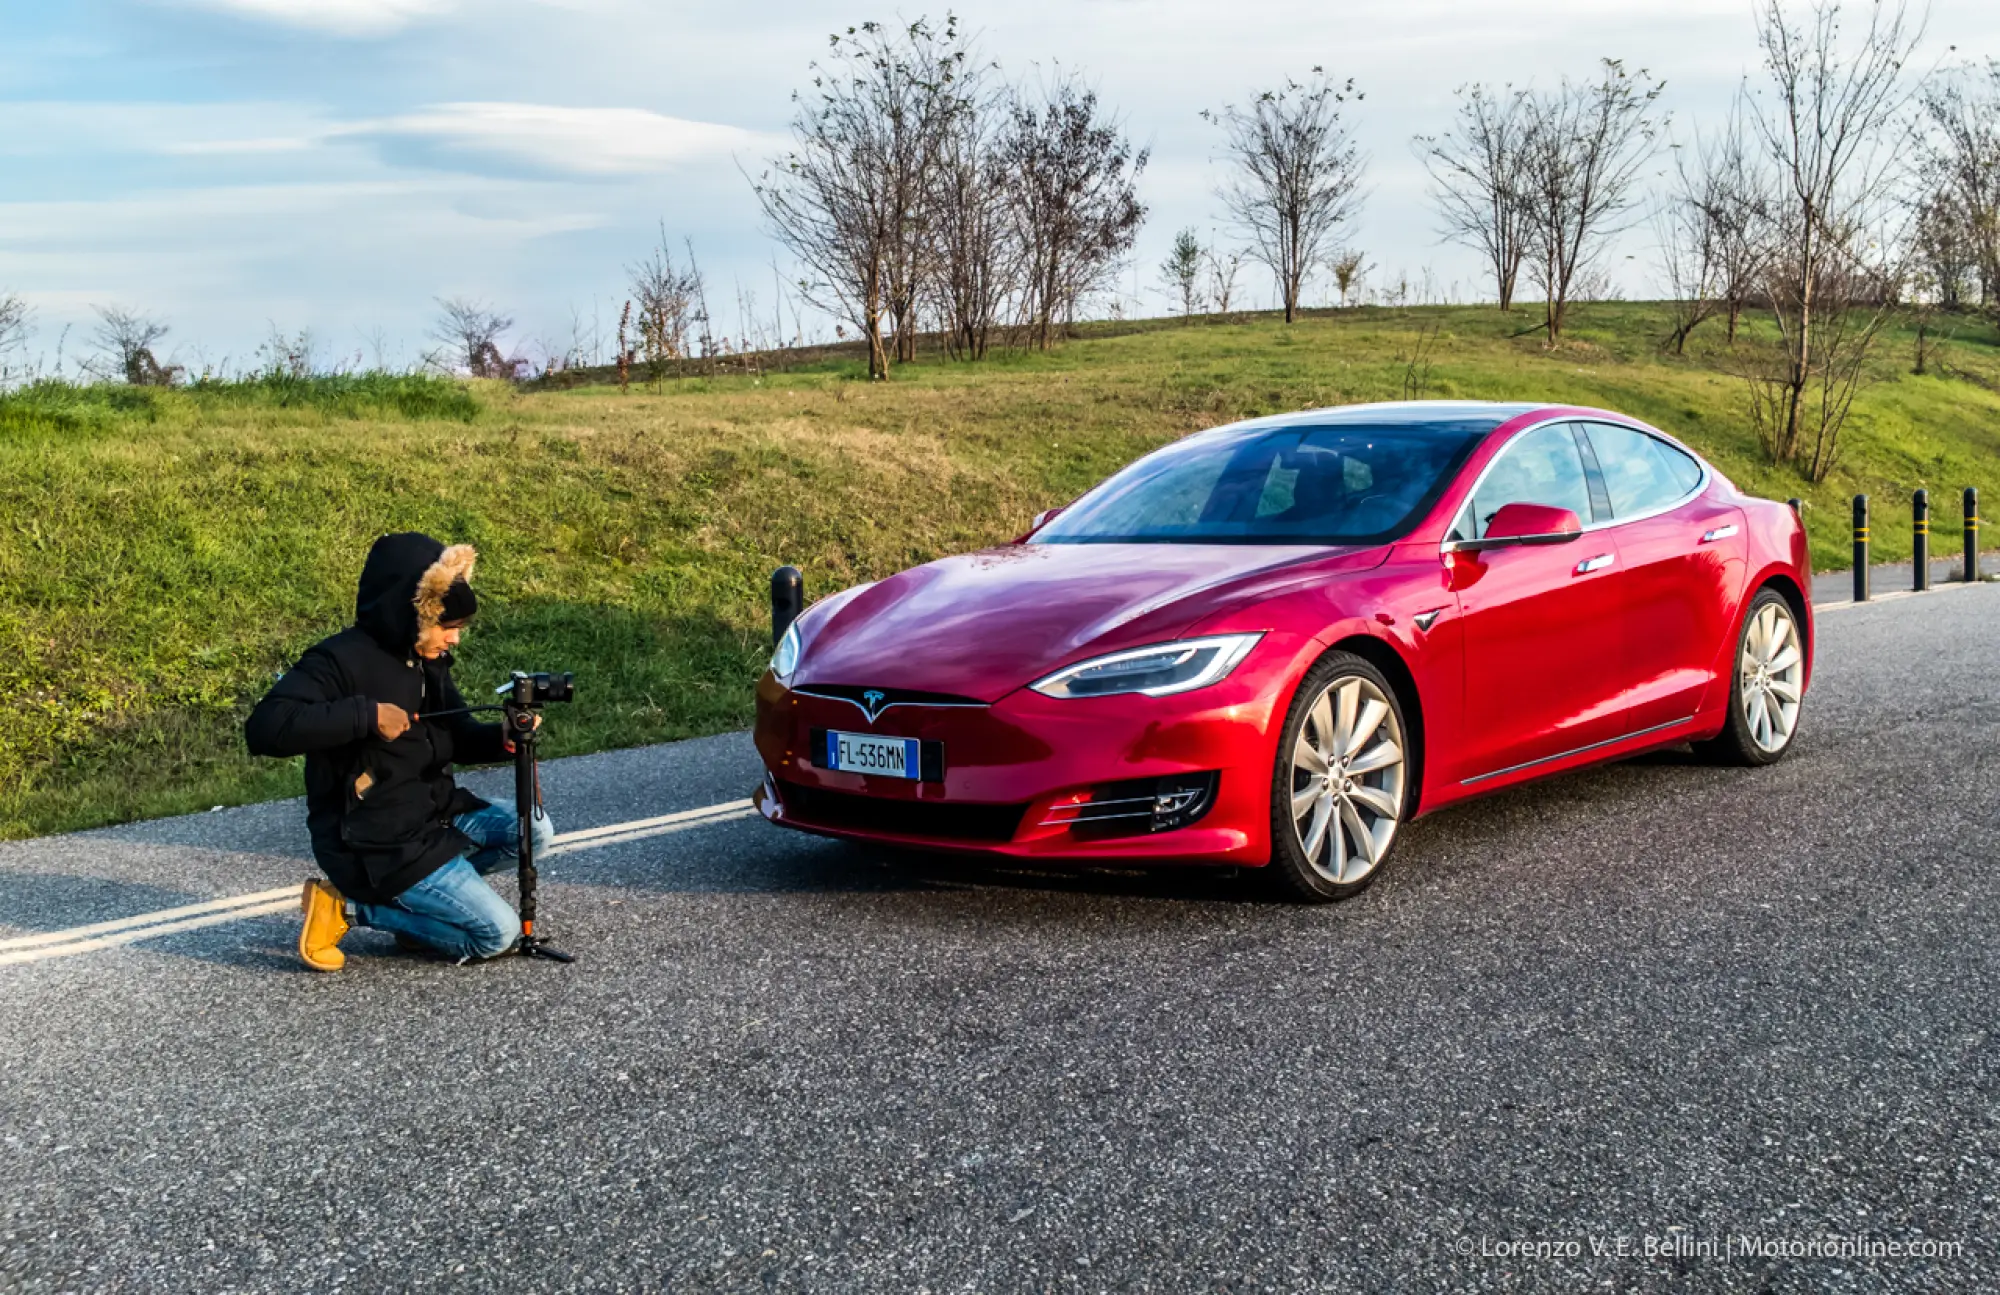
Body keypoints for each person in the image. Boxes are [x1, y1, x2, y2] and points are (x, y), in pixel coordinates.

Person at [244, 532, 554, 971]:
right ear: (414, 612)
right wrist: (366, 716)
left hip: (433, 816)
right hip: (376, 842)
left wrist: (502, 737)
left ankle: (423, 911)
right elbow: (265, 729)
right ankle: (351, 909)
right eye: (449, 628)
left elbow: (457, 734)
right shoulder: (337, 660)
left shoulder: (427, 660)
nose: (455, 641)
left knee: (534, 831)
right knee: (495, 934)